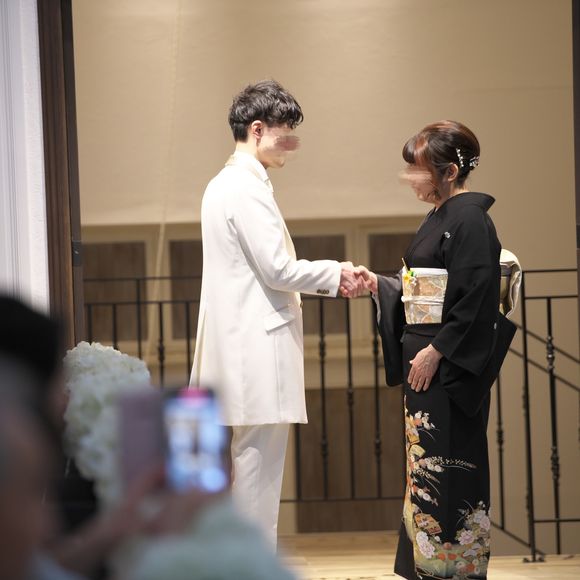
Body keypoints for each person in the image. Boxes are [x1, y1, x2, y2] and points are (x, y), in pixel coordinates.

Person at [190, 79, 365, 546]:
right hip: (256, 348)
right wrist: (338, 273)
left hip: (240, 345)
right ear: (257, 129)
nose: (290, 141)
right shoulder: (244, 187)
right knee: (257, 477)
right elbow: (278, 268)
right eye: (285, 130)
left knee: (247, 469)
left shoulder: (222, 184)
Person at [356, 121, 516, 579]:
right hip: (426, 362)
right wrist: (382, 285)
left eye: (417, 170)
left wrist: (438, 350)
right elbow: (418, 288)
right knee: (425, 465)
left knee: (449, 463)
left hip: (445, 367)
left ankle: (451, 569)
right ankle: (427, 566)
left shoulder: (470, 219)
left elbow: (476, 295)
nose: (410, 178)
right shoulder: (440, 217)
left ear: (448, 172)